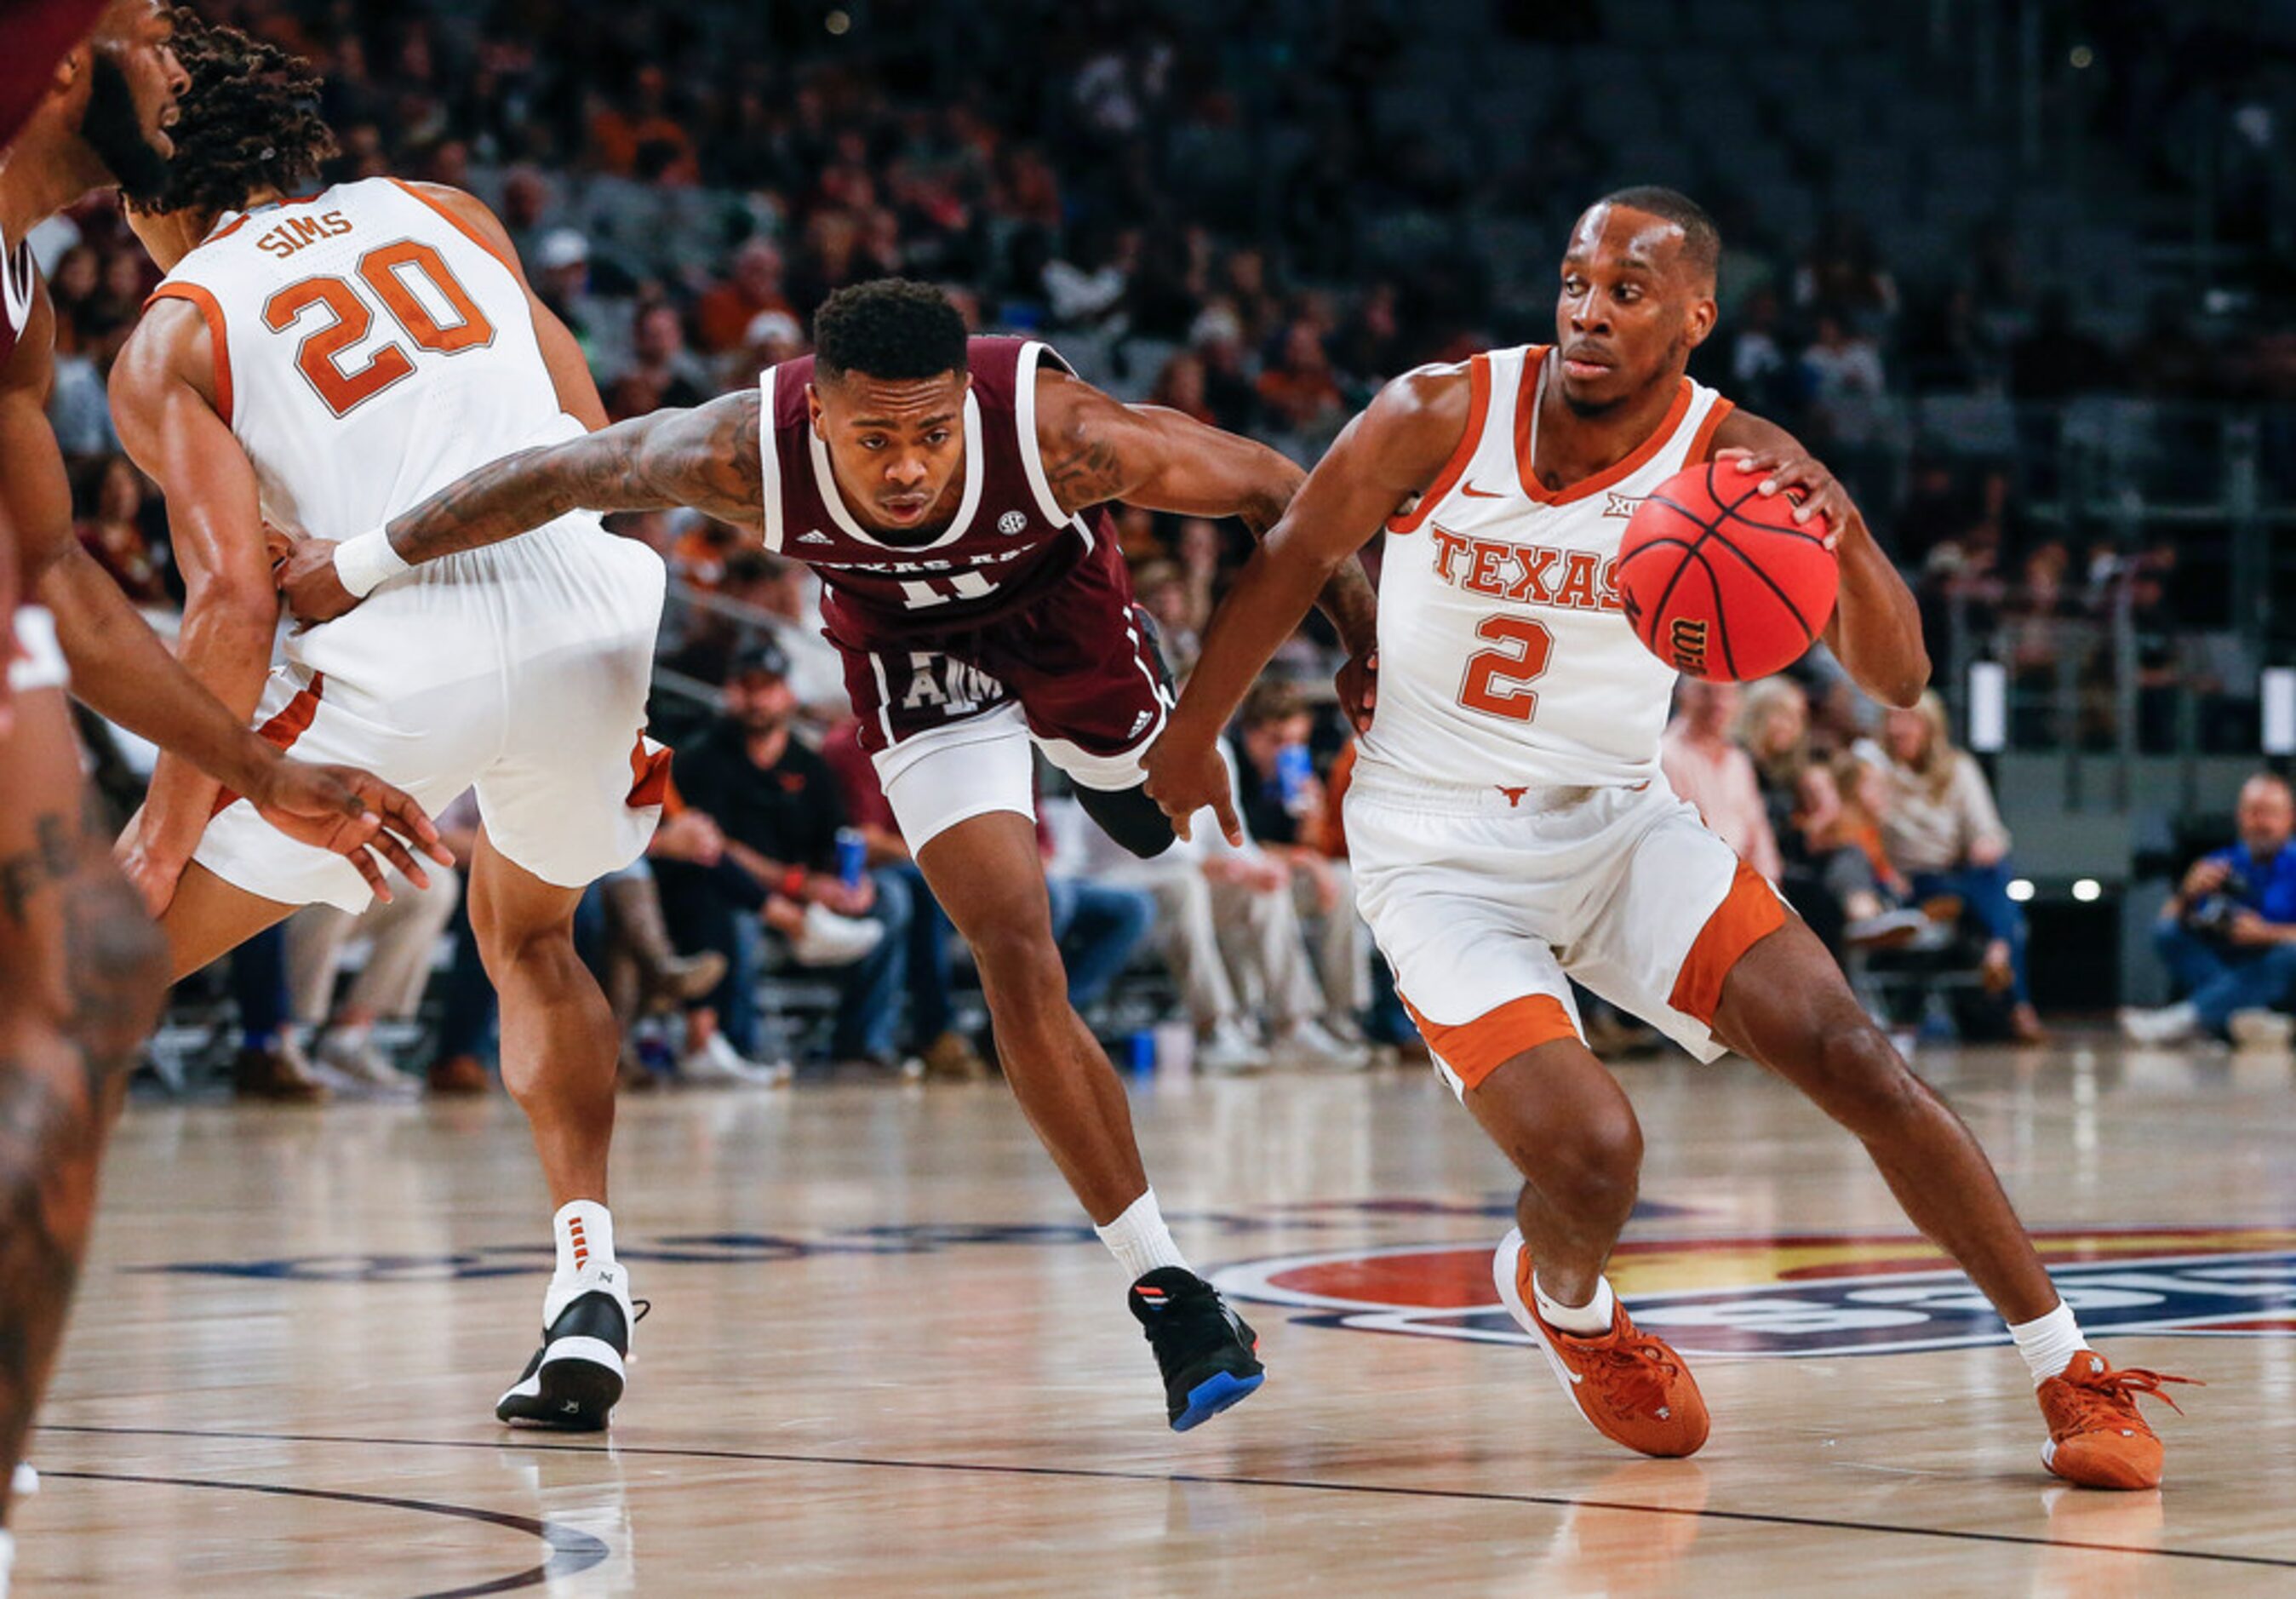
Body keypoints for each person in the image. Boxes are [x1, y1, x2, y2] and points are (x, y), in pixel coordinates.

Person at [1144, 187, 2188, 1487]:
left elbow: (1903, 674)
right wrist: (1195, 734)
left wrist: (1842, 528)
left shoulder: (1734, 456)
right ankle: (1567, 1301)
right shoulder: (1440, 409)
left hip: (1616, 821)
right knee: (1593, 1151)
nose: (1588, 312)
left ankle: (2067, 1371)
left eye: (1627, 292)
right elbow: (1295, 550)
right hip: (1432, 845)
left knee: (1855, 1052)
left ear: (1696, 315)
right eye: (1576, 282)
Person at [283, 277, 1383, 1434]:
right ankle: (1171, 1289)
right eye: (874, 440)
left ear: (968, 401)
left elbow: (1280, 491)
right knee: (1014, 948)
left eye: (930, 434)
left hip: (1069, 629)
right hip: (915, 667)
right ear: (818, 421)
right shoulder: (734, 454)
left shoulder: (1061, 437)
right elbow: (554, 474)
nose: (907, 467)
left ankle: (1115, 765)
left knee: (1142, 803)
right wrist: (354, 567)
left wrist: (1354, 646)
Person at [110, 15, 668, 1432]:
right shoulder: (444, 211)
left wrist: (158, 842)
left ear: (142, 190)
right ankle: (587, 1279)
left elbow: (234, 604)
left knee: (81, 988)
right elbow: (590, 436)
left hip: (391, 661)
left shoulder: (175, 328)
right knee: (530, 935)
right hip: (587, 607)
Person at [0, 3, 445, 1562]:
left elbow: (53, 570)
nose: (181, 71)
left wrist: (258, 765)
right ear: (66, 68)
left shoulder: (25, 294)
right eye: (149, 40)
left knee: (81, 985)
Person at [1872, 692, 2047, 1043]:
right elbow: (1868, 836)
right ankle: (2016, 991)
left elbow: (1987, 830)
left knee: (1994, 869)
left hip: (1959, 873)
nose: (1898, 729)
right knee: (1990, 891)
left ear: (1930, 727)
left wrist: (1986, 843)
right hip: (1913, 882)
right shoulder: (1877, 774)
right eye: (1892, 720)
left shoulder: (1957, 768)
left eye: (1907, 720)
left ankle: (1999, 950)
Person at [2121, 773, 2296, 1048]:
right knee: (2169, 933)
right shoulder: (2218, 863)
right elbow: (2165, 925)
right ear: (2240, 816)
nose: (2261, 822)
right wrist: (2186, 896)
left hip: (2282, 972)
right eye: (2253, 812)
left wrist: (2267, 933)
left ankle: (2190, 1018)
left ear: (2290, 817)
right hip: (2226, 962)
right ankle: (2246, 1019)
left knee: (2290, 953)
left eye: (2270, 813)